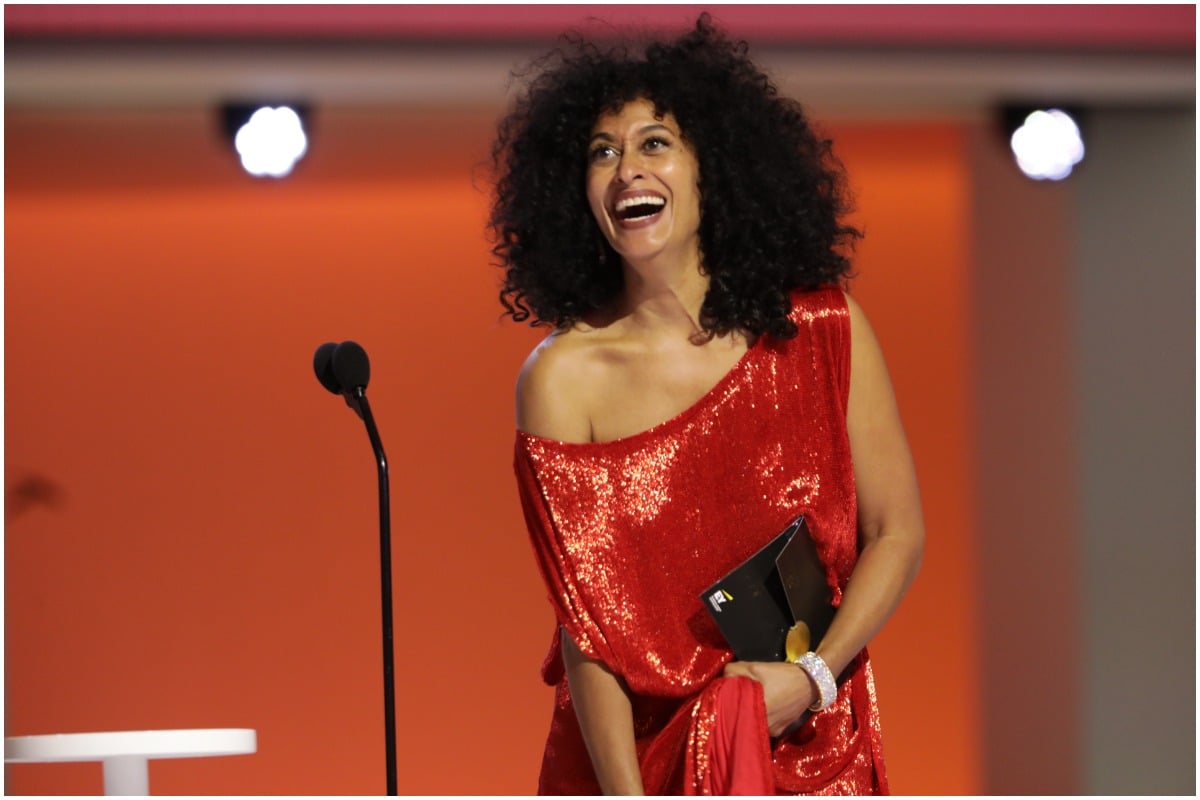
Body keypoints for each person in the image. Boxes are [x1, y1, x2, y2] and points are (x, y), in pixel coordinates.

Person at [489, 14, 924, 796]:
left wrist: (815, 680)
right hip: (643, 764)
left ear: (711, 167)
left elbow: (896, 532)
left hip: (821, 741)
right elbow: (587, 637)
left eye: (655, 142)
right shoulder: (561, 380)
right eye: (602, 151)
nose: (626, 169)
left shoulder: (822, 326)